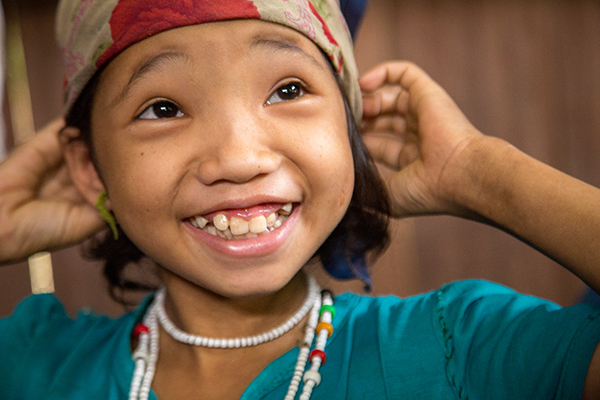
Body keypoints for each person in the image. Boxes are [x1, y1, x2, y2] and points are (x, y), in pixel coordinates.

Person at [1, 0, 600, 399]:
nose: (239, 158)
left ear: (349, 130)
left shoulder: (458, 348)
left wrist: (479, 171)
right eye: (164, 108)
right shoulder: (34, 366)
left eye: (288, 90)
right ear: (89, 166)